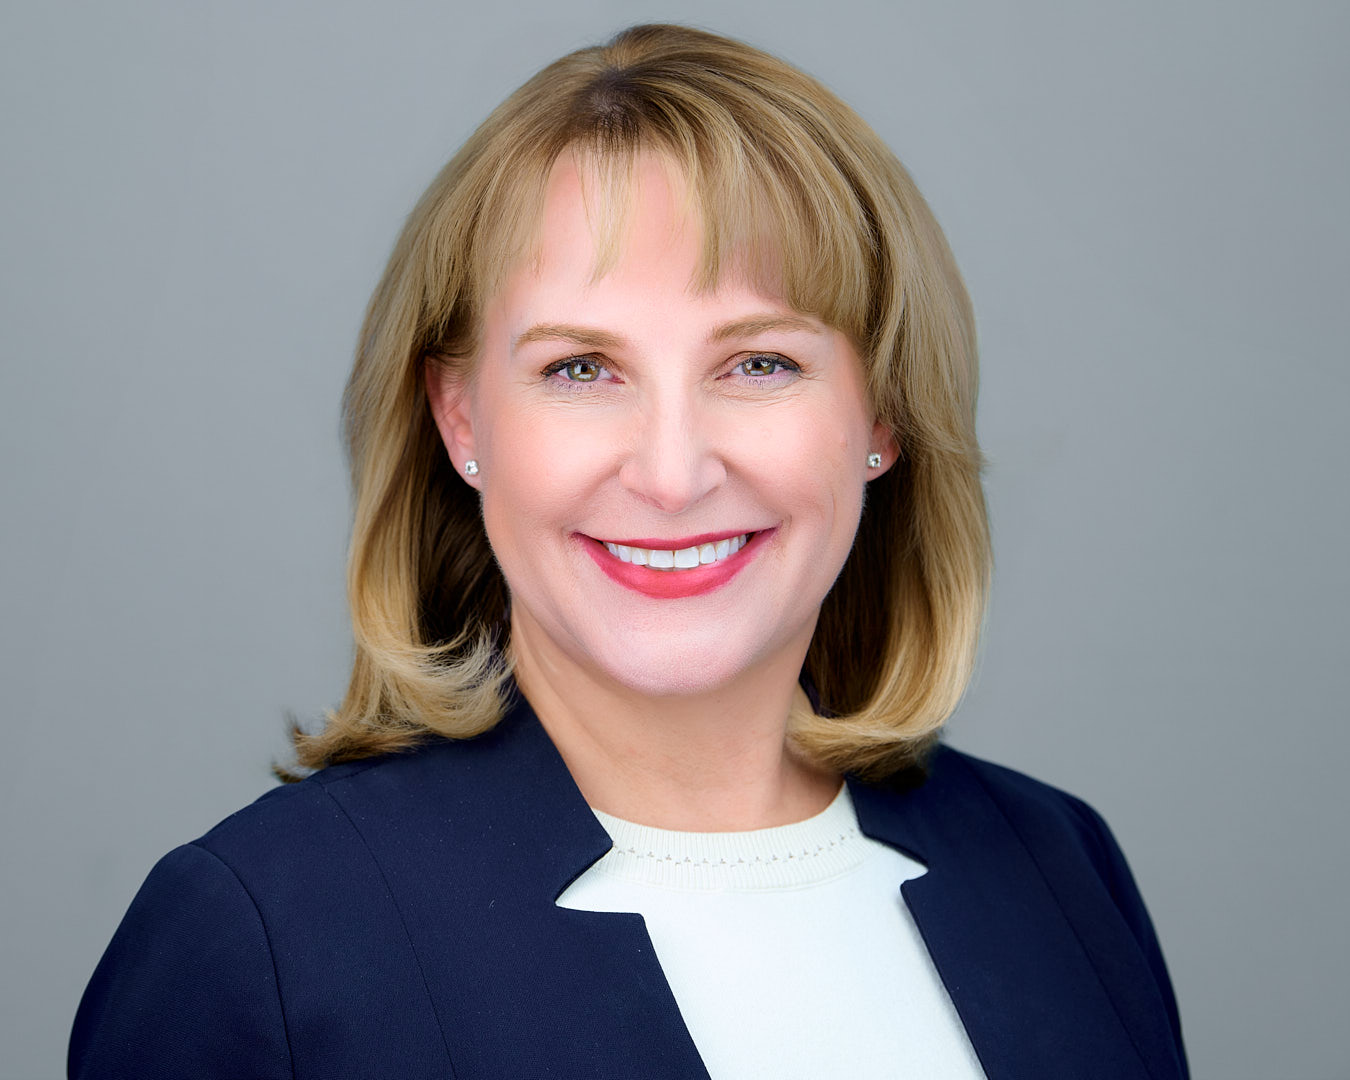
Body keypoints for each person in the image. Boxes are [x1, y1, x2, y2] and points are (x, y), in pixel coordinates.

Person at [69, 23, 1188, 1080]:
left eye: (759, 363)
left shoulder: (1056, 866)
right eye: (580, 369)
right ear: (460, 419)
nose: (671, 473)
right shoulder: (265, 936)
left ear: (883, 416)